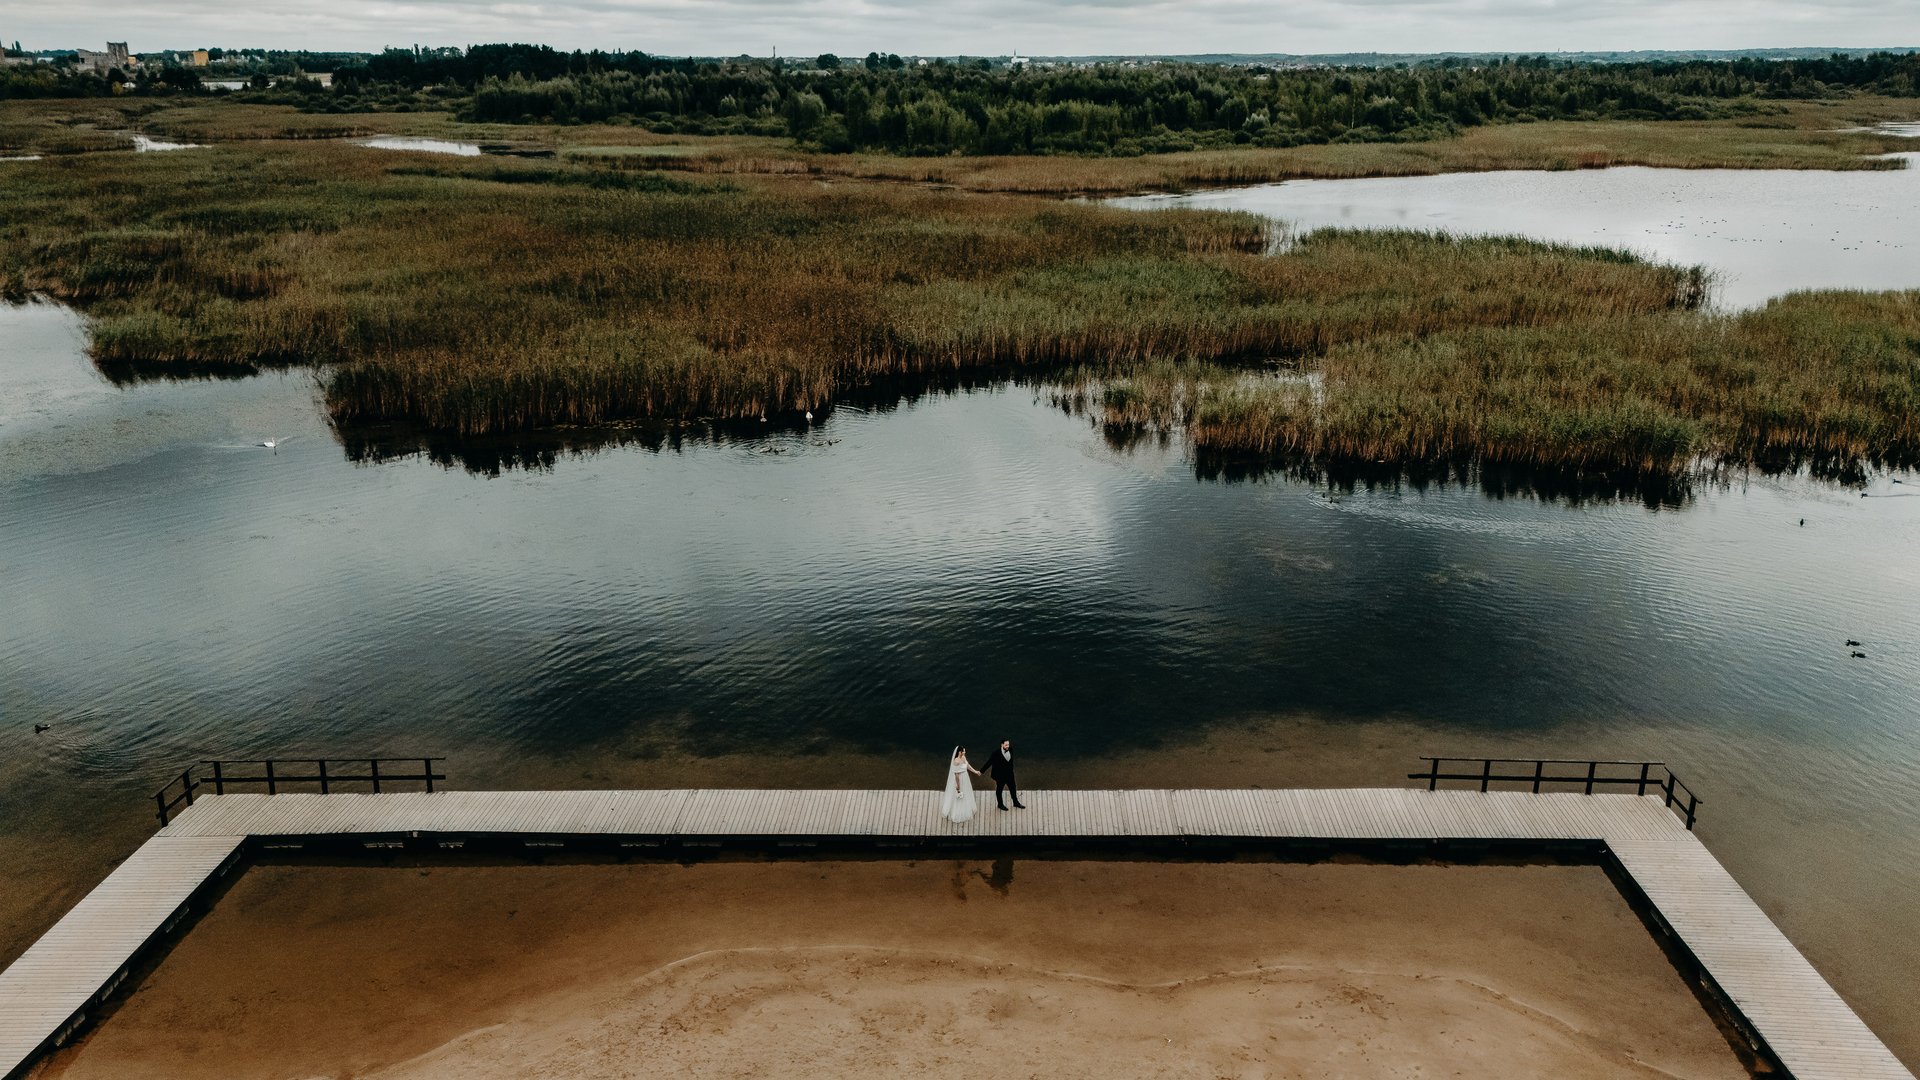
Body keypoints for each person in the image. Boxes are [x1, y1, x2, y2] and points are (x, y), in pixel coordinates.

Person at [941, 746, 982, 824]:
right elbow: (956, 775)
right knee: (958, 794)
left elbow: (967, 766)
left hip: (965, 778)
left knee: (966, 792)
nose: (965, 752)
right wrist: (958, 787)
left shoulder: (963, 757)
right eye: (963, 751)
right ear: (959, 752)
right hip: (959, 779)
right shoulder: (956, 761)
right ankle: (956, 811)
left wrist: (975, 772)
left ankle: (966, 807)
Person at [982, 739, 1023, 810]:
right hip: (1000, 776)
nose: (1008, 746)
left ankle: (1015, 803)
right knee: (999, 790)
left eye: (1008, 744)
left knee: (1013, 788)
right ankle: (1000, 804)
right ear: (1002, 745)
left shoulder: (1010, 749)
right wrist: (981, 771)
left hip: (1010, 775)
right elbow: (989, 762)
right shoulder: (996, 753)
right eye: (1006, 745)